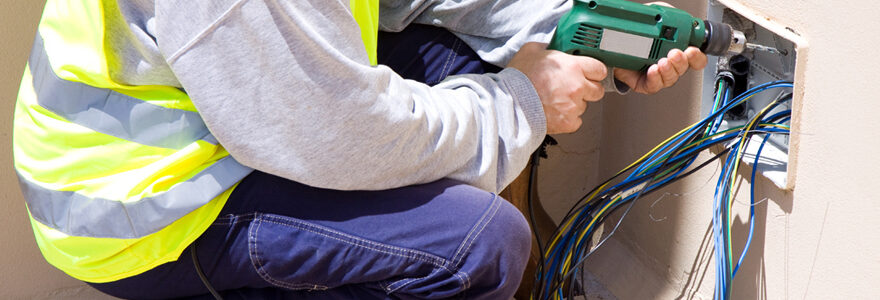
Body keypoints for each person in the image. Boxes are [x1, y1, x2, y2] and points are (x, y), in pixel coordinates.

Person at [12, 0, 706, 299]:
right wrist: (524, 102)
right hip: (145, 208)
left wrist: (568, 33)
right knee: (479, 247)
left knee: (469, 62)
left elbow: (425, 4)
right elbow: (337, 134)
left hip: (247, 119)